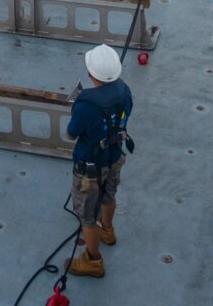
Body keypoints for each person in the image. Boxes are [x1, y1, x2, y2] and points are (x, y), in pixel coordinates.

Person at [65, 43, 133, 278]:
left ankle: (93, 261)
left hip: (90, 170)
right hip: (115, 158)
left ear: (90, 73)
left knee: (87, 216)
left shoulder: (85, 104)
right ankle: (109, 231)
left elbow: (71, 133)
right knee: (109, 195)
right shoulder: (125, 92)